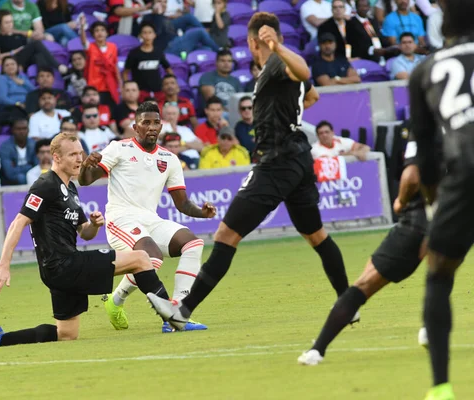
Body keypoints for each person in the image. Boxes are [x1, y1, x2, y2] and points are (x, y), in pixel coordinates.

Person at [147, 12, 355, 331]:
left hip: (278, 160)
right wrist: (287, 109)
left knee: (226, 235)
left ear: (251, 42)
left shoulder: (275, 63)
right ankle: (348, 303)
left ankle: (182, 310)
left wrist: (276, 48)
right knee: (316, 235)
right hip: (298, 159)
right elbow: (311, 95)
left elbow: (302, 70)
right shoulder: (276, 72)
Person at [0, 133, 171, 349]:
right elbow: (18, 222)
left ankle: (0, 338)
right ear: (56, 157)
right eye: (73, 154)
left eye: (81, 153)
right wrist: (3, 266)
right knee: (141, 258)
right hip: (63, 264)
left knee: (66, 334)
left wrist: (93, 225)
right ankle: (173, 318)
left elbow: (84, 233)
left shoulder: (71, 189)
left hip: (58, 270)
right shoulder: (45, 185)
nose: (79, 159)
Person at [78, 101, 216, 332]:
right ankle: (169, 318)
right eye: (146, 123)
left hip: (150, 219)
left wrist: (201, 213)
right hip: (120, 218)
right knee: (151, 256)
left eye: (155, 123)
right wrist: (85, 166)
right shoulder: (118, 148)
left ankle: (175, 308)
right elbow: (86, 180)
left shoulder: (169, 159)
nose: (151, 127)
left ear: (161, 126)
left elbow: (181, 203)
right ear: (135, 127)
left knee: (193, 243)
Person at [298, 133, 430, 365]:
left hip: (420, 221)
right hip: (457, 218)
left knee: (363, 284)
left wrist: (400, 201)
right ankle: (431, 325)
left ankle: (316, 350)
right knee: (441, 274)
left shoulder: (427, 126)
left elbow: (411, 176)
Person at [409, 1, 474, 398]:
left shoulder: (424, 71)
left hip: (462, 172)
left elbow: (425, 156)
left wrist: (434, 206)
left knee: (439, 275)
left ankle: (441, 387)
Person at [123, 21, 173, 102]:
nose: (147, 36)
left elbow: (168, 69)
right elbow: (126, 72)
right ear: (140, 35)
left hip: (158, 91)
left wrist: (169, 82)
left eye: (150, 32)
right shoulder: (134, 53)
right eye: (144, 33)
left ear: (154, 35)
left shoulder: (158, 52)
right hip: (141, 92)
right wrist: (128, 86)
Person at [80, 19, 122, 110]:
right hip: (95, 86)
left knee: (112, 110)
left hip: (110, 85)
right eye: (96, 30)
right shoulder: (90, 47)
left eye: (102, 30)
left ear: (107, 33)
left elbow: (115, 66)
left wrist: (120, 83)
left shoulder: (113, 47)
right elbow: (83, 41)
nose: (100, 33)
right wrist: (82, 27)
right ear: (93, 34)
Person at [0, 118, 37, 185]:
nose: (22, 131)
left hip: (32, 176)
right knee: (21, 178)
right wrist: (30, 166)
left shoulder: (34, 144)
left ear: (28, 130)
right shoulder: (5, 147)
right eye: (18, 129)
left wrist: (16, 168)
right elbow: (9, 172)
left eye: (24, 128)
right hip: (11, 182)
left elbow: (37, 167)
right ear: (12, 130)